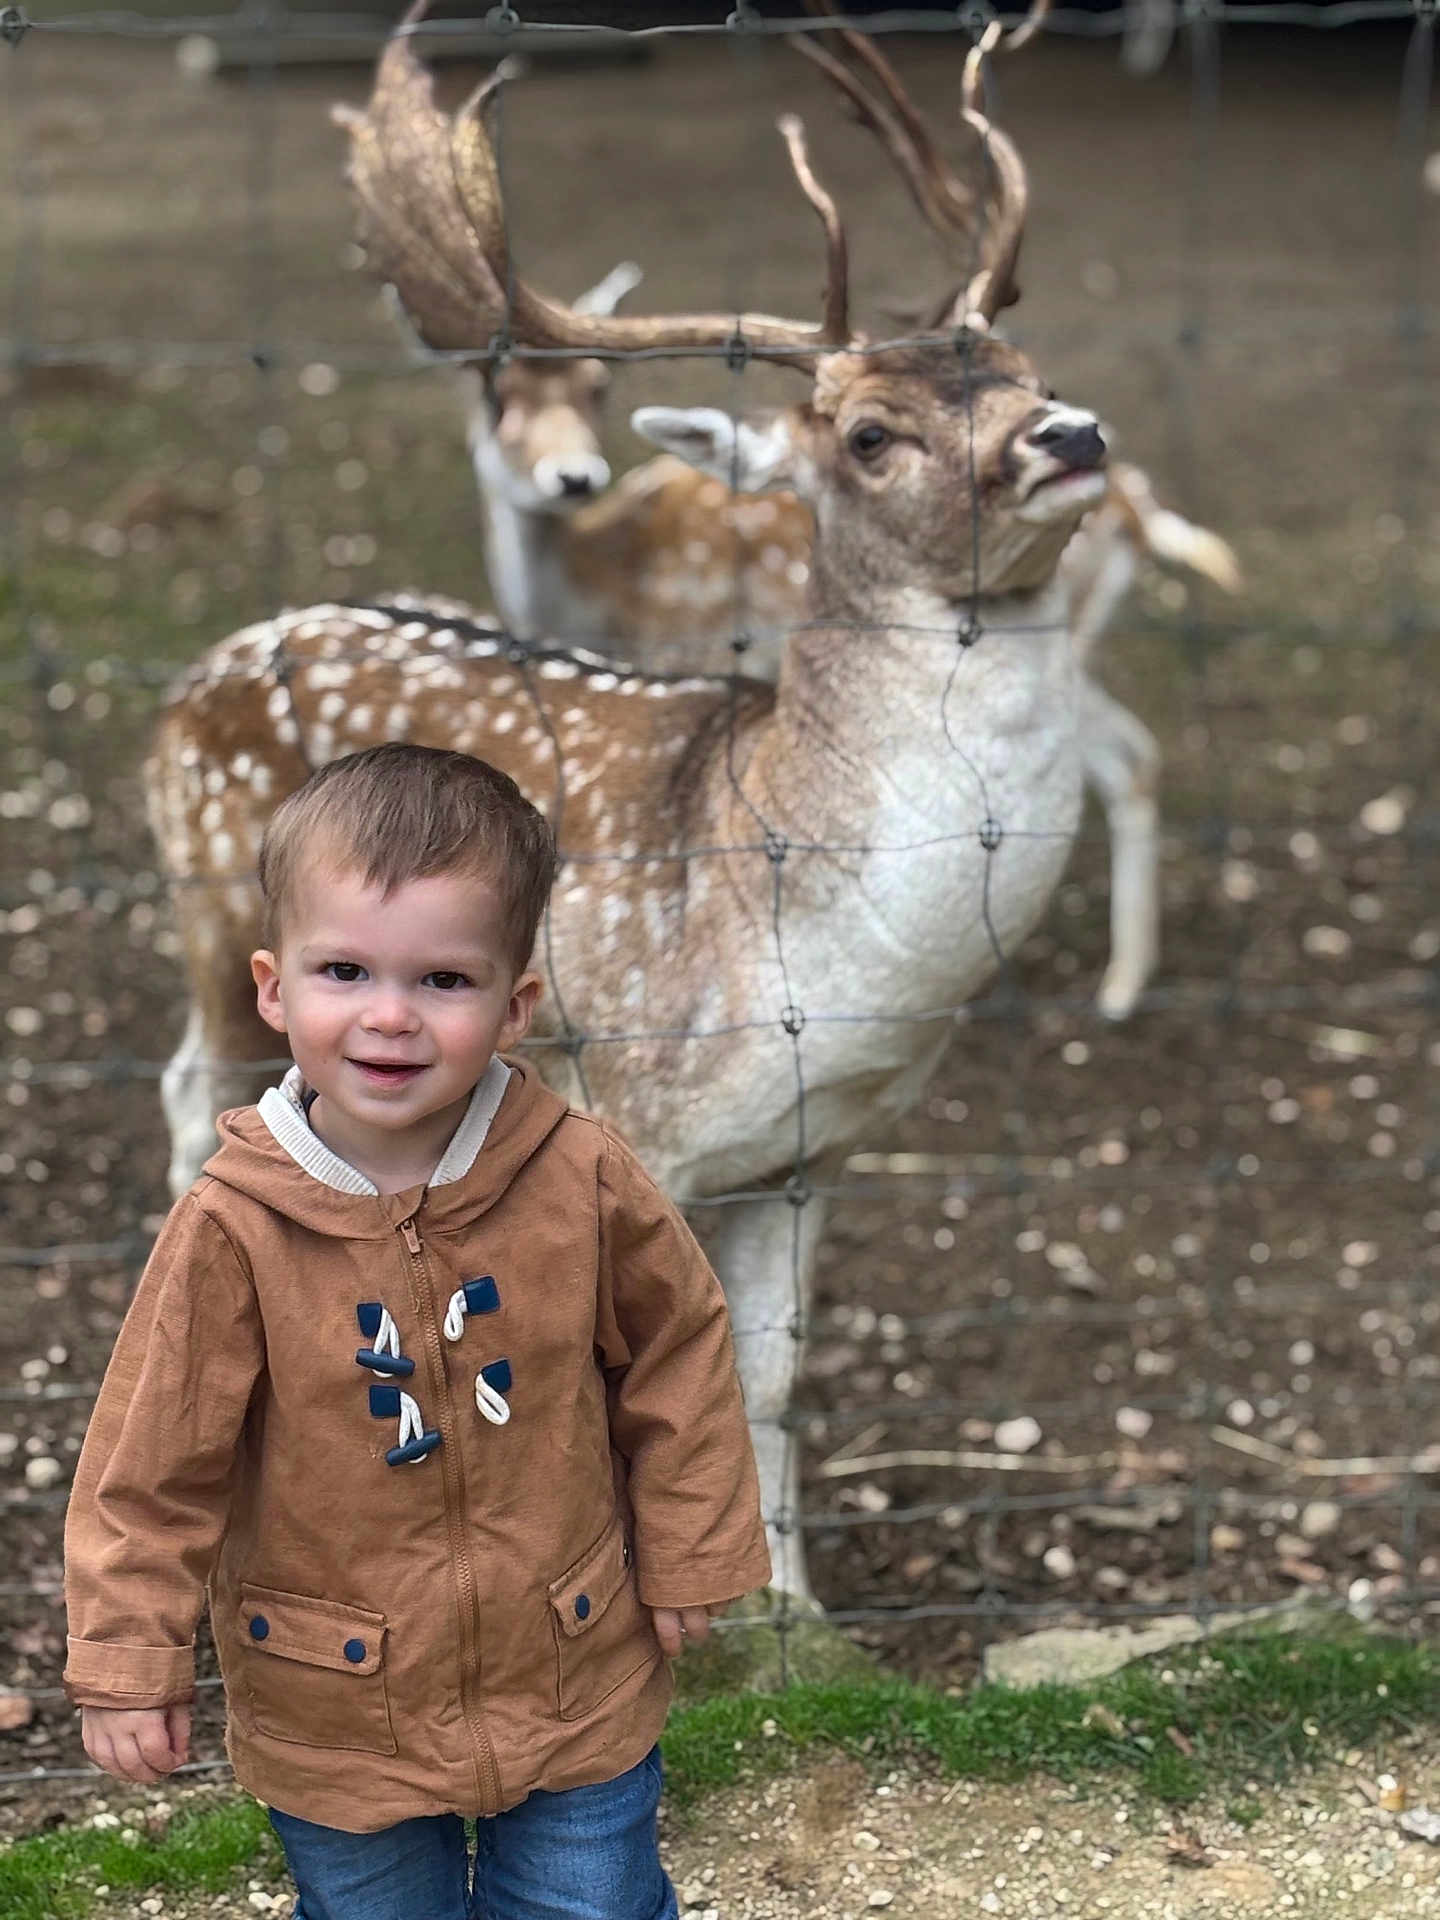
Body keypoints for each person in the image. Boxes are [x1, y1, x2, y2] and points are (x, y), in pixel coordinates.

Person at [64, 742, 770, 1920]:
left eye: (444, 979)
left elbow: (678, 1354)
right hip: (335, 1700)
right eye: (345, 970)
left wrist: (692, 1543)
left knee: (592, 1904)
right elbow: (151, 1466)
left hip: (573, 1662)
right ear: (273, 987)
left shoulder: (580, 1178)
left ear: (514, 1005)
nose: (389, 1016)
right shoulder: (233, 1228)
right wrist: (129, 1661)